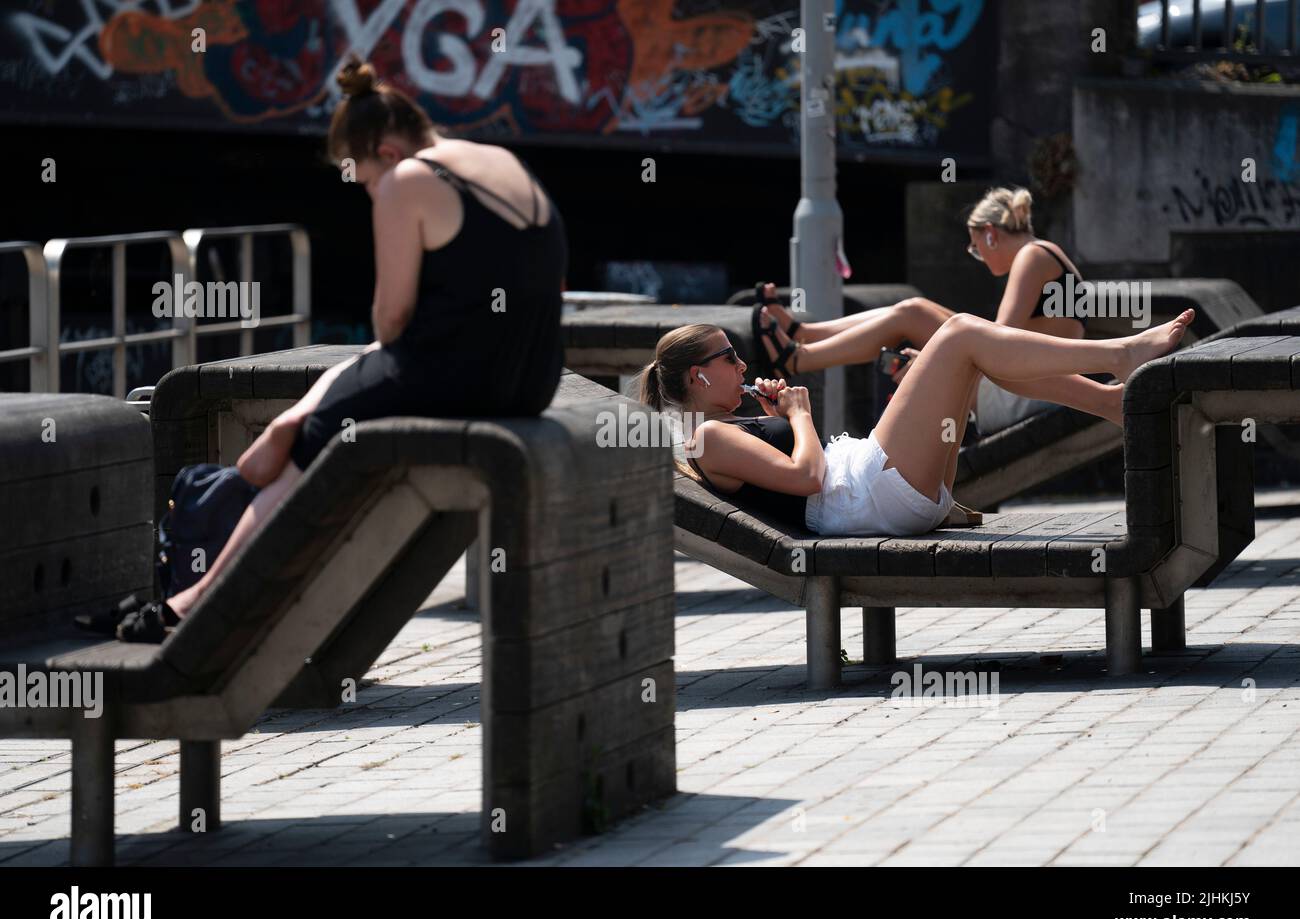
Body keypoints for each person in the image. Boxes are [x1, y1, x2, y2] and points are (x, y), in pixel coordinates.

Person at [115, 57, 568, 641]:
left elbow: (392, 318)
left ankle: (194, 603)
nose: (370, 195)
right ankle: (297, 419)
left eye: (364, 182)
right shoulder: (499, 160)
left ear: (383, 151)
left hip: (459, 376)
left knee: (309, 452)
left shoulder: (408, 179)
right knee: (347, 386)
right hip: (533, 378)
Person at [643, 308, 1194, 538]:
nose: (742, 365)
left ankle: (1108, 396)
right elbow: (808, 479)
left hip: (880, 491)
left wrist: (778, 419)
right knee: (956, 333)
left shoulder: (722, 431)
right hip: (865, 495)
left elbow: (792, 474)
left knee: (970, 351)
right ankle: (1117, 357)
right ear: (698, 376)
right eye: (728, 358)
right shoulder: (709, 438)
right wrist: (799, 414)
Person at [753, 186, 1119, 432]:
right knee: (913, 310)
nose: (978, 256)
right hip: (1026, 387)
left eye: (977, 247)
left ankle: (800, 357)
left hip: (1019, 394)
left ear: (991, 233)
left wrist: (936, 356)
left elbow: (999, 341)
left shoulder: (1033, 255)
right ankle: (804, 338)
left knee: (913, 312)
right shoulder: (1047, 254)